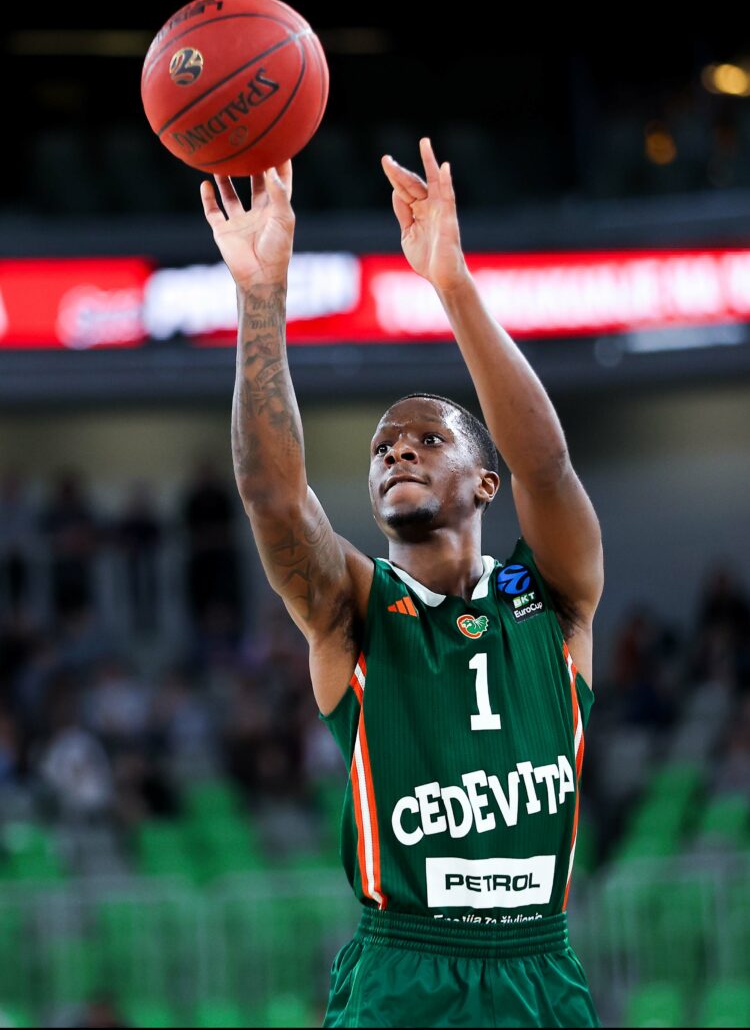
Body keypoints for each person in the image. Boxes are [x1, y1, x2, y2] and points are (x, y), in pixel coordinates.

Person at [200, 137, 604, 1028]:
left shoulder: (554, 597)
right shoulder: (353, 607)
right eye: (383, 446)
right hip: (404, 973)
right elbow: (271, 493)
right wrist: (262, 296)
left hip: (543, 969)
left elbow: (545, 464)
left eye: (427, 438)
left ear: (485, 482)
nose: (397, 452)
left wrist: (453, 286)